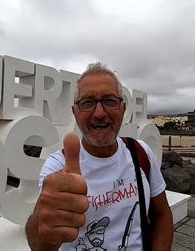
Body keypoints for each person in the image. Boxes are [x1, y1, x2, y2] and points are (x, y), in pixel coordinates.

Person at [25, 63, 173, 250]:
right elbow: (39, 245)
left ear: (123, 108)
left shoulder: (140, 152)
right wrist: (42, 222)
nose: (100, 113)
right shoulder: (57, 167)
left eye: (110, 100)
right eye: (87, 103)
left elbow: (162, 214)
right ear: (74, 112)